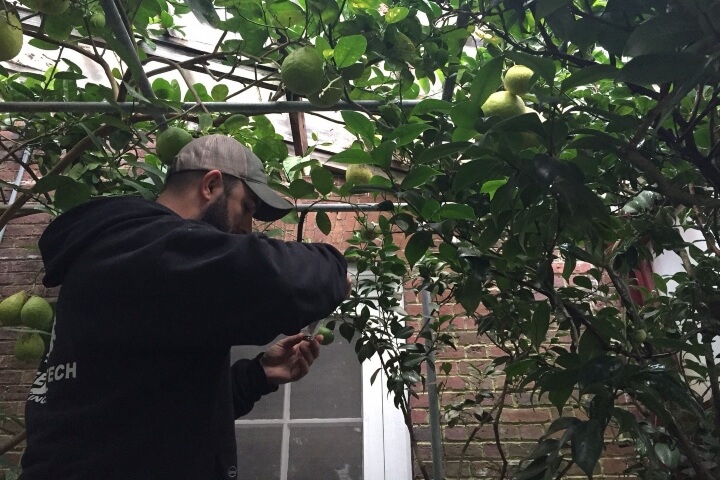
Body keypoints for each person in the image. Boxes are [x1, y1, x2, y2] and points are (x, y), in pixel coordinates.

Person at [19, 134, 350, 479]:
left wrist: (258, 375)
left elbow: (152, 407)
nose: (247, 228)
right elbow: (283, 280)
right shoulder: (144, 247)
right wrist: (335, 271)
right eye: (247, 208)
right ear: (211, 185)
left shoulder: (132, 256)